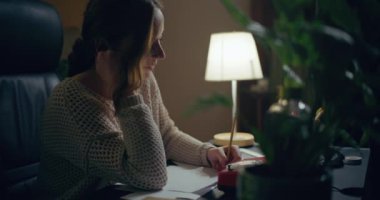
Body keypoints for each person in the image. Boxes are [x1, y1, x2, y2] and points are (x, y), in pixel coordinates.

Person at [38, 0, 241, 199]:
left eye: (160, 40)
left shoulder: (142, 79)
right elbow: (151, 175)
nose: (161, 54)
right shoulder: (71, 102)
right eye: (150, 43)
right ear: (108, 45)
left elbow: (166, 135)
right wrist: (125, 92)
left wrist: (207, 153)